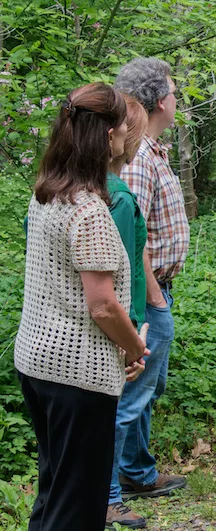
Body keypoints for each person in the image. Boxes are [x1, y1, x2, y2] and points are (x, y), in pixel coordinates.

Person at [15, 82, 149, 531]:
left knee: (54, 491)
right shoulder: (88, 209)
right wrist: (134, 349)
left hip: (36, 362)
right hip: (77, 373)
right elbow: (103, 306)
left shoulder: (47, 193)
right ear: (109, 135)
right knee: (78, 506)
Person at [110, 57, 190, 512]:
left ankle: (138, 473)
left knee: (147, 390)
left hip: (157, 288)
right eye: (175, 93)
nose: (177, 101)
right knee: (131, 394)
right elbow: (131, 235)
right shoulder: (138, 157)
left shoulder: (151, 152)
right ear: (161, 101)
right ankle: (109, 496)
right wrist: (154, 299)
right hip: (146, 293)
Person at [104, 95, 152, 529]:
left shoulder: (56, 186)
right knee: (117, 410)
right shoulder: (115, 196)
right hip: (117, 326)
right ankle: (110, 496)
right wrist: (132, 337)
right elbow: (115, 277)